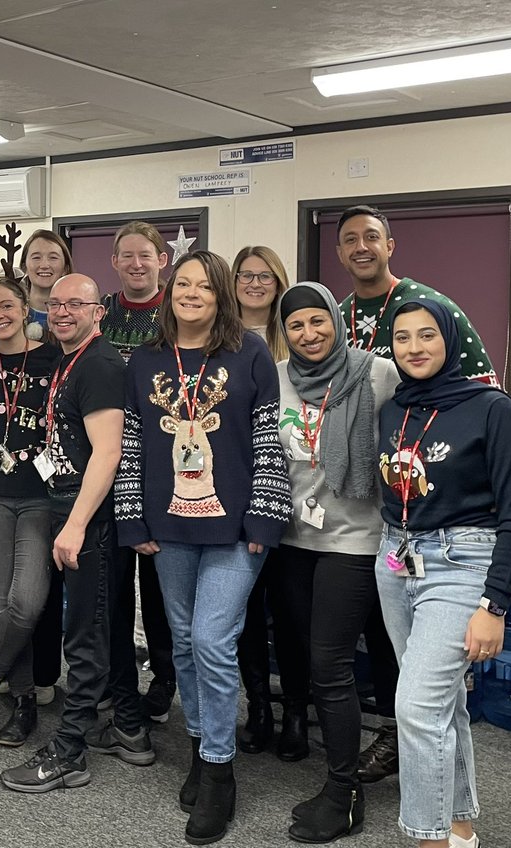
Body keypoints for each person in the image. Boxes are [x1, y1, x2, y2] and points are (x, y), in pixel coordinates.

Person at [115, 250, 291, 844]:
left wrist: (266, 520)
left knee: (214, 640)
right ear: (170, 292)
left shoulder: (250, 354)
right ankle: (199, 744)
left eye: (204, 286)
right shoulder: (144, 361)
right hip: (167, 528)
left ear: (221, 295)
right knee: (184, 643)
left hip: (236, 528)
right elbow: (134, 447)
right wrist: (132, 519)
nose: (192, 293)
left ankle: (220, 769)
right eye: (182, 284)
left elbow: (269, 442)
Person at [334, 205, 500, 783]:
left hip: (433, 503)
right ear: (339, 252)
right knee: (386, 634)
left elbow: (480, 395)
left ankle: (408, 744)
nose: (361, 247)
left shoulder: (433, 304)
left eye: (371, 238)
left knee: (414, 663)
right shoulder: (339, 313)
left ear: (391, 245)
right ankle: (417, 747)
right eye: (350, 239)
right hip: (368, 500)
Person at [374, 300, 511, 848]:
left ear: (450, 340)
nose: (414, 348)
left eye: (426, 335)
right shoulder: (395, 409)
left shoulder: (493, 409)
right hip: (395, 561)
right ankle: (460, 825)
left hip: (463, 563)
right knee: (442, 703)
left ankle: (430, 839)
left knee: (414, 707)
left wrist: (494, 606)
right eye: (401, 338)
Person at [269, 283, 400, 842]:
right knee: (303, 657)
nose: (309, 334)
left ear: (336, 321)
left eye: (318, 321)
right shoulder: (275, 376)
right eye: (296, 325)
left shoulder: (378, 373)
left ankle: (345, 793)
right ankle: (338, 781)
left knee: (331, 666)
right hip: (293, 538)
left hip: (357, 540)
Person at [0, 273, 124, 793]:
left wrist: (74, 526)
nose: (63, 311)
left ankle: (69, 752)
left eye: (76, 304)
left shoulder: (98, 363)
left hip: (86, 516)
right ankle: (124, 726)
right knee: (93, 624)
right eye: (55, 304)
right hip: (64, 504)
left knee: (85, 635)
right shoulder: (69, 357)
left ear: (99, 311)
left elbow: (107, 452)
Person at [0, 277, 61, 746]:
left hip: (41, 495)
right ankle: (23, 701)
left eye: (6, 306)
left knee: (28, 602)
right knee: (2, 603)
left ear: (25, 310)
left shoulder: (53, 359)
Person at [229, 245, 308, 760]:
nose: (255, 283)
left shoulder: (299, 338)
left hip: (300, 498)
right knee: (245, 613)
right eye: (245, 275)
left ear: (279, 282)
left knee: (291, 610)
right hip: (237, 495)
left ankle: (296, 713)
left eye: (265, 276)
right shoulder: (221, 339)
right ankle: (258, 707)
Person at [100, 221, 176, 737]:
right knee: (110, 589)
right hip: (104, 465)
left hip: (164, 470)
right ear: (114, 262)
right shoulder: (99, 312)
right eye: (125, 256)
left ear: (161, 260)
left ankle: (166, 680)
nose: (135, 264)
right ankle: (115, 679)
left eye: (144, 255)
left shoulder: (179, 311)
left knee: (160, 589)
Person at [0, 228, 67, 342]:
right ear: (24, 266)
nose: (44, 265)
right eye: (36, 257)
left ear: (65, 267)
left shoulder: (74, 314)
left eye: (53, 257)